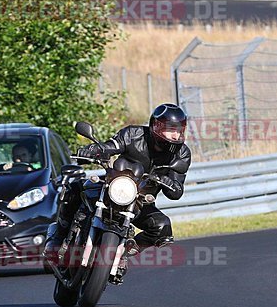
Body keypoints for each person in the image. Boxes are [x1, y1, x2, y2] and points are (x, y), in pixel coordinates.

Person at [43, 103, 192, 284]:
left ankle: (125, 252)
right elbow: (110, 146)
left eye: (179, 130)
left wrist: (170, 183)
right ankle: (58, 240)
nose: (176, 135)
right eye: (171, 130)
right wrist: (94, 150)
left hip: (139, 202)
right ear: (156, 127)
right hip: (112, 187)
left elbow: (177, 190)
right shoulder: (133, 134)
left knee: (162, 227)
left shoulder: (182, 154)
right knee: (75, 188)